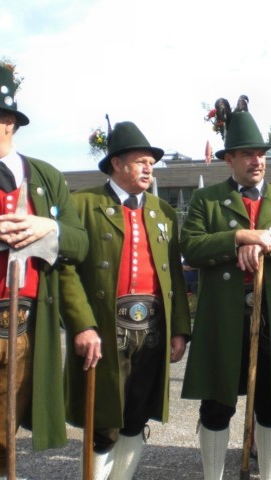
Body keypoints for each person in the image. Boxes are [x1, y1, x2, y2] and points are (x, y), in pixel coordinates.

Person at [180, 106, 271, 480]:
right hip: (224, 316)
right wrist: (238, 237)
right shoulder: (206, 200)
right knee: (217, 403)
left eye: (260, 154)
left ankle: (269, 476)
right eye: (246, 154)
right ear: (229, 160)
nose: (256, 161)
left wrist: (268, 245)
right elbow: (190, 247)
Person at [0, 63, 89, 478]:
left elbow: (78, 247)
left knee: (4, 436)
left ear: (8, 123)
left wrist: (50, 227)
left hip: (26, 326)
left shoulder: (45, 177)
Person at [59, 121, 191, 479]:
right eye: (140, 161)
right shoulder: (83, 204)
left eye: (151, 162)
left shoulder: (162, 211)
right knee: (103, 418)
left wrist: (179, 329)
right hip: (104, 324)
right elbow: (65, 269)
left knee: (136, 415)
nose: (149, 168)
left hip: (151, 324)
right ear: (116, 164)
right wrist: (81, 324)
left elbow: (174, 277)